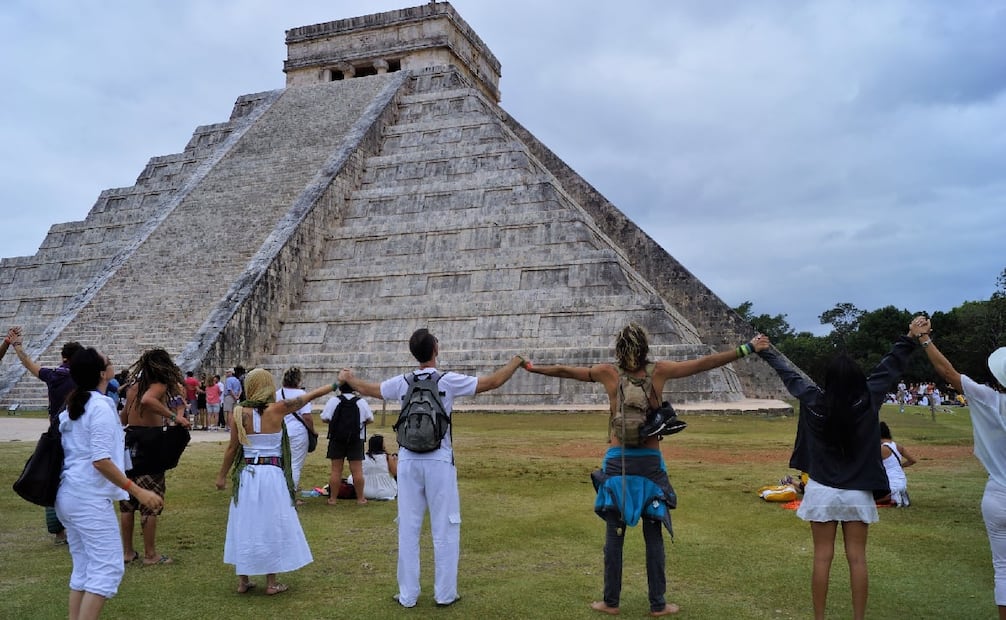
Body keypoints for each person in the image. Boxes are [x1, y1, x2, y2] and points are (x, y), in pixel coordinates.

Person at [525, 322, 761, 617]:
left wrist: (535, 369)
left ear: (619, 349)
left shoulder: (606, 373)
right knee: (653, 535)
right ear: (645, 347)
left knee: (615, 533)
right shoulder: (659, 371)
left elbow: (565, 371)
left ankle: (610, 602)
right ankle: (658, 604)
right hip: (650, 462)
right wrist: (746, 348)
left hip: (617, 460)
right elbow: (704, 363)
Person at [752, 316, 927, 620]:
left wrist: (767, 350)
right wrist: (910, 337)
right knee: (857, 559)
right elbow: (889, 366)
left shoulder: (813, 400)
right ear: (858, 379)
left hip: (821, 490)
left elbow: (789, 374)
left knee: (822, 559)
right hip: (857, 492)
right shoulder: (867, 399)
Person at [338, 328, 525, 608]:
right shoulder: (447, 380)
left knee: (408, 529)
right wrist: (516, 361)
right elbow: (492, 383)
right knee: (445, 527)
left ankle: (408, 594)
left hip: (408, 460)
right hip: (439, 459)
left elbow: (370, 389)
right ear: (436, 349)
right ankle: (444, 593)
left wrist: (349, 378)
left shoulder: (403, 382)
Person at [56, 347, 162, 619]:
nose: (113, 364)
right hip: (87, 498)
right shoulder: (99, 407)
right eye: (109, 361)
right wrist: (136, 490)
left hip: (70, 494)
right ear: (103, 374)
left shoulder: (72, 407)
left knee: (84, 568)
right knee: (107, 568)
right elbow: (101, 460)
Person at [215, 368, 341, 595]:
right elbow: (308, 397)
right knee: (270, 523)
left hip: (248, 474)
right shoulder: (278, 409)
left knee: (245, 522)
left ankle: (243, 580)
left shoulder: (239, 412)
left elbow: (232, 448)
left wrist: (222, 476)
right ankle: (271, 583)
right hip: (272, 474)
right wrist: (335, 385)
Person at [915, 319, 1006, 619]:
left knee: (1003, 569)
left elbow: (948, 373)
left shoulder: (991, 400)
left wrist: (925, 339)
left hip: (998, 494)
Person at [118, 348, 192, 566]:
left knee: (128, 503)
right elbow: (150, 400)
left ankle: (128, 552)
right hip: (149, 443)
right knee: (150, 499)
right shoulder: (156, 386)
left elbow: (123, 418)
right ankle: (151, 555)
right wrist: (173, 416)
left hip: (130, 441)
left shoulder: (132, 388)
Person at [10, 329, 82, 545]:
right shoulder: (82, 378)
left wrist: (18, 346)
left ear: (64, 358)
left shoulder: (54, 376)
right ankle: (76, 527)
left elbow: (28, 364)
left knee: (53, 476)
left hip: (55, 433)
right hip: (78, 434)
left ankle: (58, 532)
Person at [320, 383, 374, 505]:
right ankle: (360, 498)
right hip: (356, 438)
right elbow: (370, 419)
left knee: (336, 470)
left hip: (336, 438)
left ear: (340, 388)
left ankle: (333, 499)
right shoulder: (361, 402)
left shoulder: (334, 401)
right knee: (357, 471)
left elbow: (324, 418)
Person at [275, 366, 317, 494]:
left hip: (280, 430)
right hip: (298, 432)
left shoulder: (277, 394)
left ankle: (280, 490)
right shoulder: (301, 395)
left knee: (281, 462)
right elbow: (307, 417)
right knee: (295, 464)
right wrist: (313, 430)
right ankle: (290, 493)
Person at [348, 434, 398, 500]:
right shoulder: (387, 457)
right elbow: (395, 473)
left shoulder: (363, 457)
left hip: (365, 492)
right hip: (386, 492)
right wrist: (396, 461)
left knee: (351, 477)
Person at [879, 421, 916, 507]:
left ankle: (891, 498)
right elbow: (912, 460)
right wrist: (899, 466)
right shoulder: (898, 446)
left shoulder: (881, 449)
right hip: (902, 481)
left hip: (890, 484)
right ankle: (897, 496)